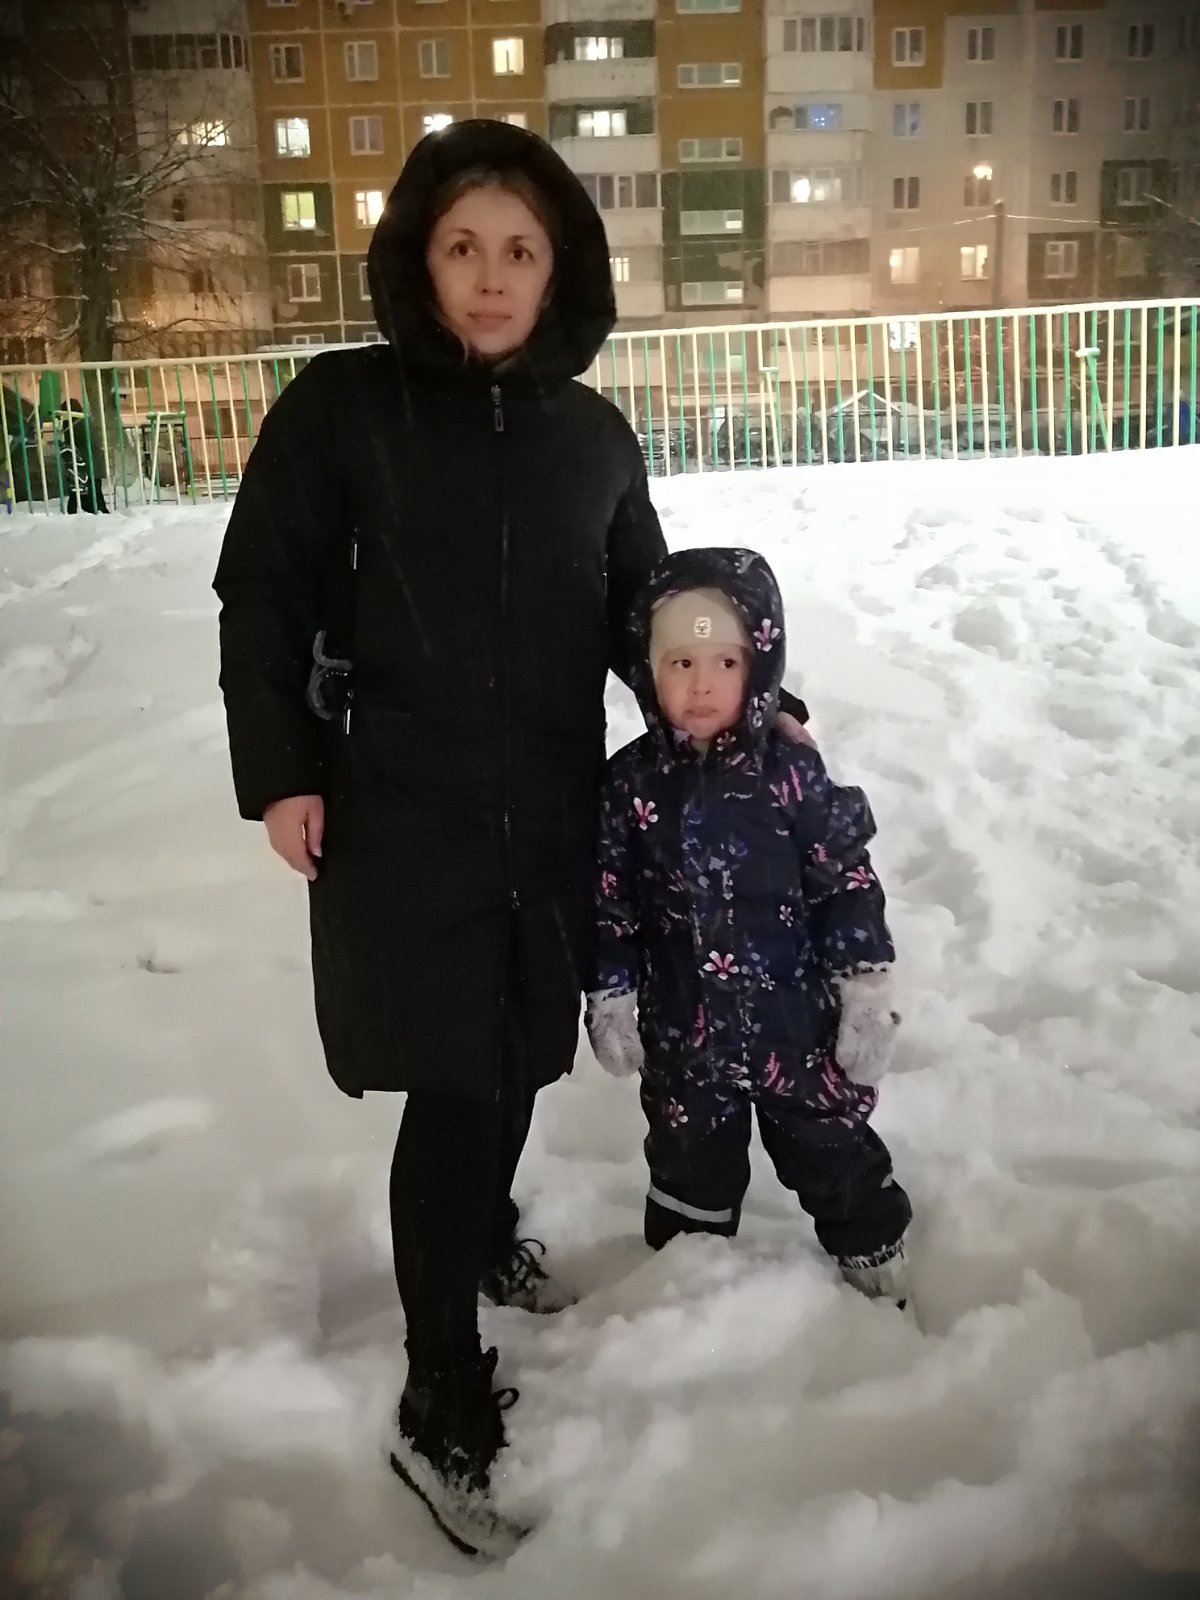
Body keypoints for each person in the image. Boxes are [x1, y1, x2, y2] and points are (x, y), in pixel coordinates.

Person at [213, 122, 811, 1558]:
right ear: (420, 261)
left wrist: (737, 697)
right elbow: (262, 593)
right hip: (396, 807)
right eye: (465, 247)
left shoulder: (591, 439)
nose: (492, 277)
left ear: (562, 272)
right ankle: (436, 1387)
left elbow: (642, 615)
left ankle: (479, 1238)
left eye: (522, 251)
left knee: (524, 1047)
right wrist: (281, 773)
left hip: (550, 805)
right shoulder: (343, 408)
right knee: (456, 1078)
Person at [585, 547, 913, 1310]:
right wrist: (610, 995)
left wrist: (865, 989)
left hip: (797, 1030)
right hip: (684, 1036)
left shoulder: (792, 775)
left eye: (725, 662)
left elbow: (845, 884)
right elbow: (609, 902)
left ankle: (872, 1256)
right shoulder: (629, 786)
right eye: (680, 662)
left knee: (830, 1146)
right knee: (687, 1159)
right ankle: (689, 1280)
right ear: (648, 671)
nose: (701, 684)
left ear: (759, 667)